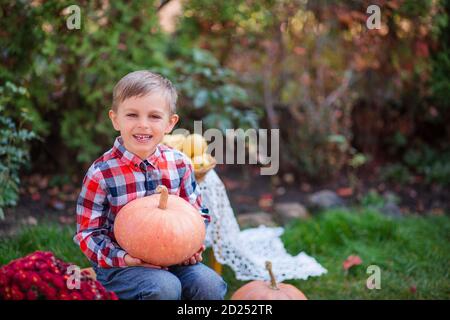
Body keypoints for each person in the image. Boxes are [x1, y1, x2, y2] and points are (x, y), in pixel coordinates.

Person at [73, 70, 227, 300]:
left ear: (170, 123)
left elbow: (197, 214)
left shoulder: (179, 164)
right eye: (132, 115)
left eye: (154, 117)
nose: (143, 125)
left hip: (175, 259)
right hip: (121, 267)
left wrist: (191, 247)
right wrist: (123, 257)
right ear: (115, 119)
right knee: (164, 287)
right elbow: (88, 233)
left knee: (210, 284)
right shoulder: (101, 173)